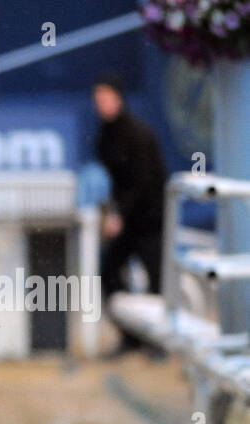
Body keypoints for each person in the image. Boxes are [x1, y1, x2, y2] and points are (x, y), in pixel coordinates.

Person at [93, 74, 167, 351]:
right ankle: (130, 337)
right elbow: (112, 182)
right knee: (109, 272)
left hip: (150, 219)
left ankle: (159, 343)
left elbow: (144, 182)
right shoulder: (104, 134)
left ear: (118, 98)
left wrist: (119, 213)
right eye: (97, 100)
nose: (101, 104)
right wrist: (113, 212)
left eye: (105, 98)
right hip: (126, 221)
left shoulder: (137, 133)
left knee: (157, 281)